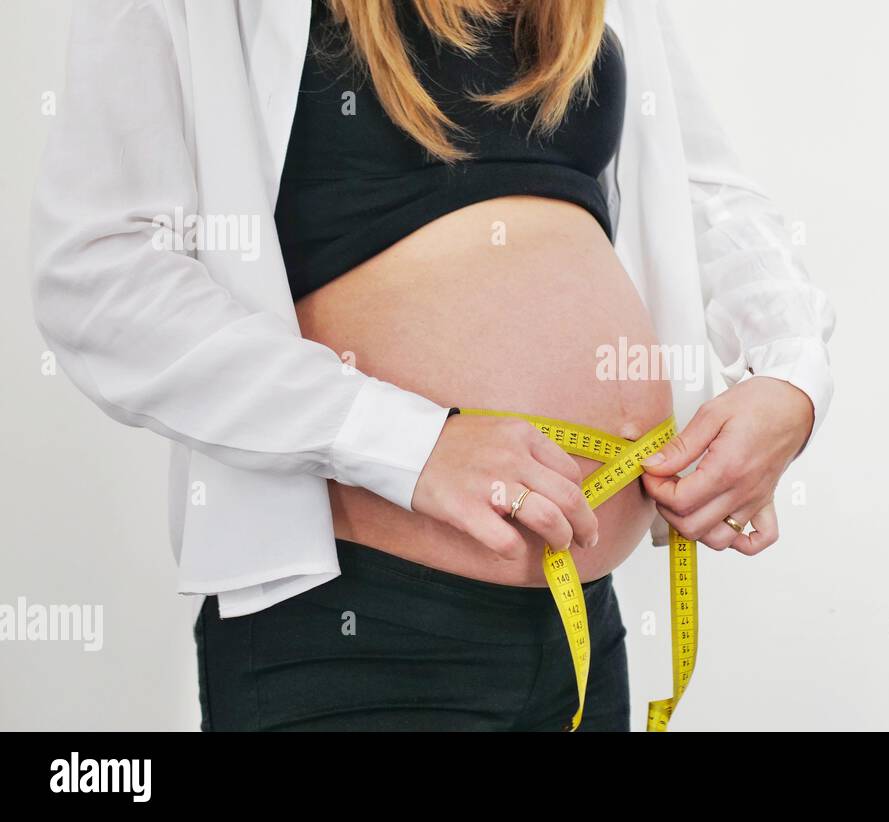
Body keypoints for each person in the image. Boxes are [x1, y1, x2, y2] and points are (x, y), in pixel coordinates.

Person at [28, 0, 836, 731]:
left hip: (585, 627)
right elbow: (102, 274)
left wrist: (790, 372)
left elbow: (701, 188)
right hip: (356, 638)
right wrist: (408, 443)